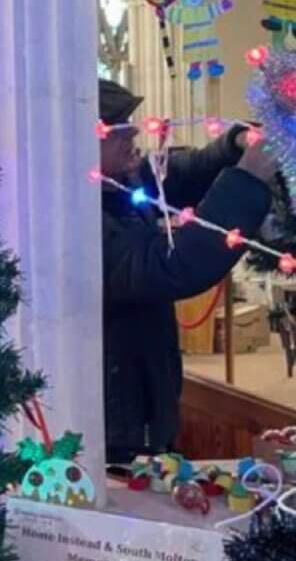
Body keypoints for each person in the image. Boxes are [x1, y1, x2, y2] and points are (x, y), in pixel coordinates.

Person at [99, 78, 277, 465]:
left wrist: (233, 145)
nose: (133, 134)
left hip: (145, 409)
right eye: (119, 130)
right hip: (117, 431)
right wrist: (246, 179)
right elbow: (173, 265)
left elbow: (183, 172)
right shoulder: (82, 220)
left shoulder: (120, 186)